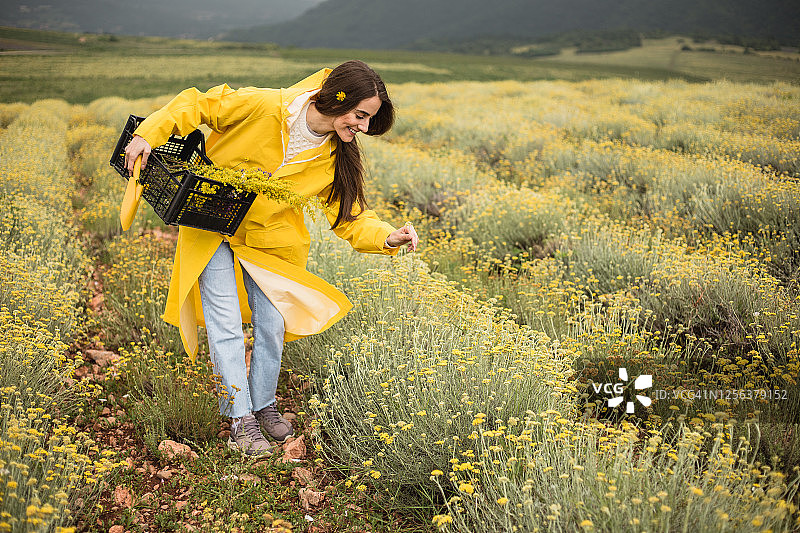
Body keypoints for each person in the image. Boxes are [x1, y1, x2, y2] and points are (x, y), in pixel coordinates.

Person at [123, 60, 418, 457]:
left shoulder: (336, 156)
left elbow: (350, 218)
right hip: (210, 220)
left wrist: (387, 236)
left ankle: (263, 405)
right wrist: (148, 133)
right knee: (225, 322)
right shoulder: (264, 105)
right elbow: (198, 104)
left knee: (273, 325)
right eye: (360, 115)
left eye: (368, 120)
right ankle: (239, 417)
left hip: (271, 243)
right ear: (337, 98)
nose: (363, 127)